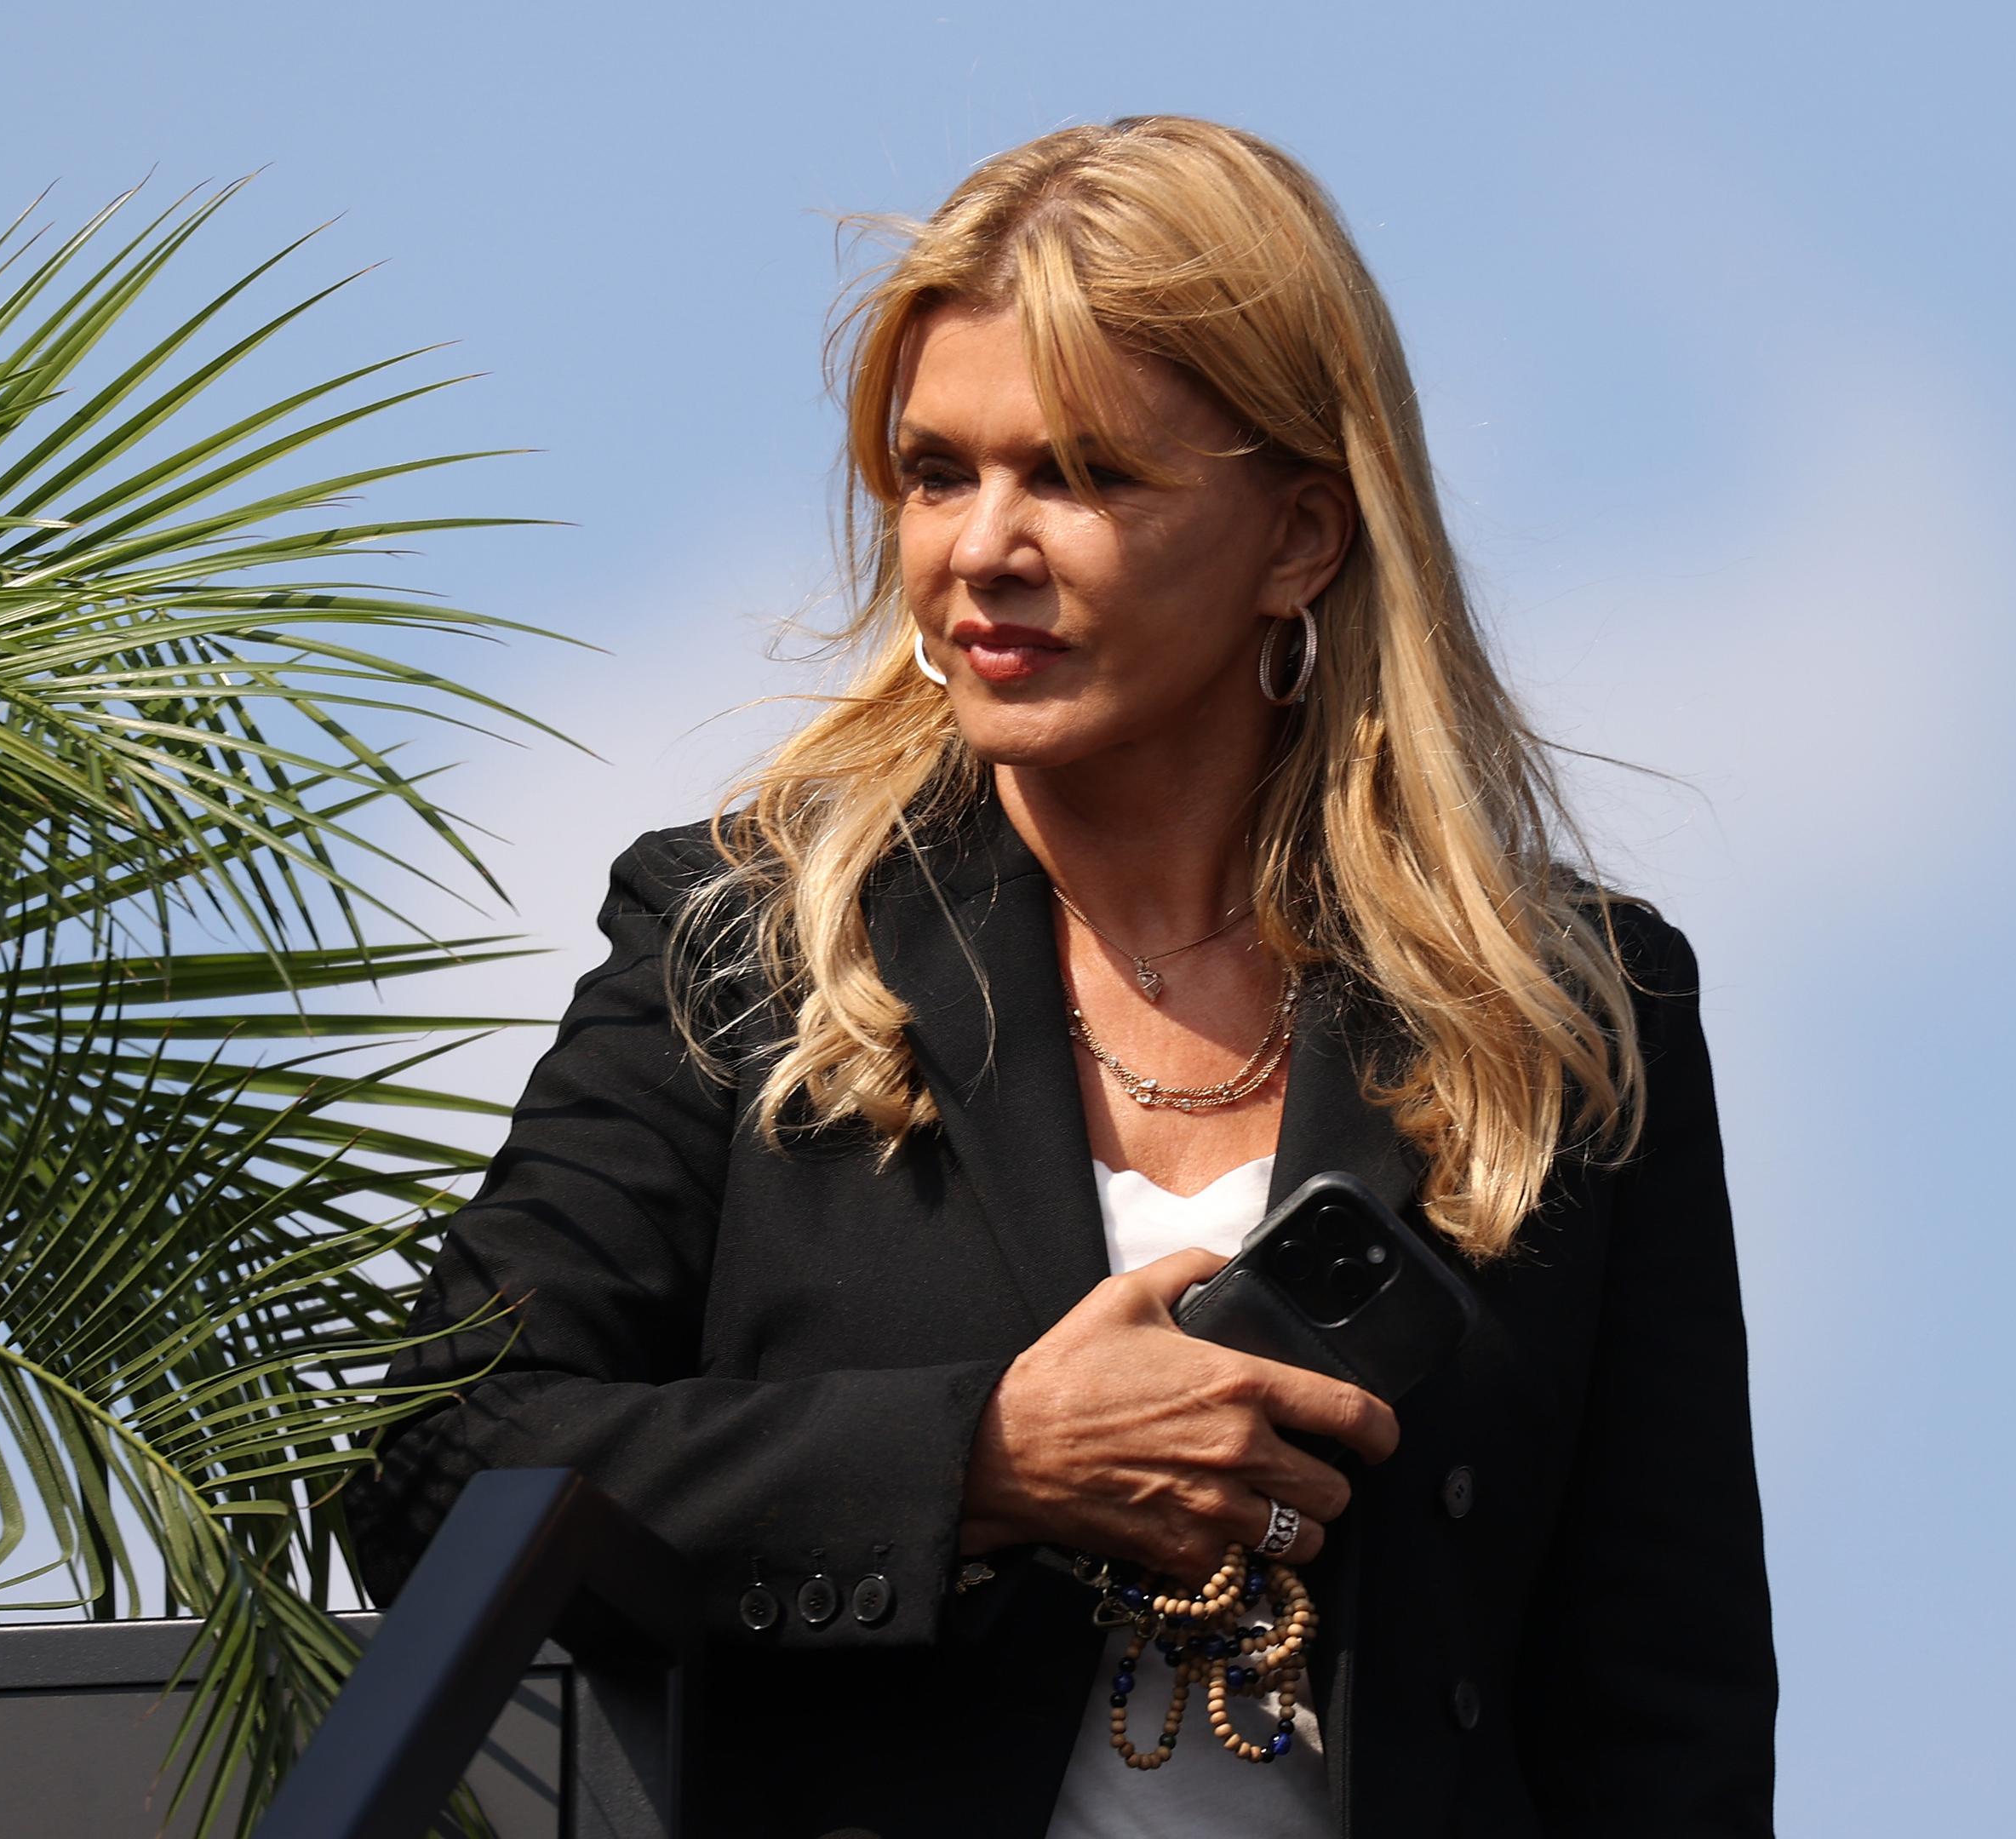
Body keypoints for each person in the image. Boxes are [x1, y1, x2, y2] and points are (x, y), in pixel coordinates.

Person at [346, 115, 1776, 1836]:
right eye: (936, 472)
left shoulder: (1567, 1006)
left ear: (1301, 537)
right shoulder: (750, 942)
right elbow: (442, 1465)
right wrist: (986, 1459)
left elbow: (1665, 1708)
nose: (982, 549)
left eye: (1081, 475)